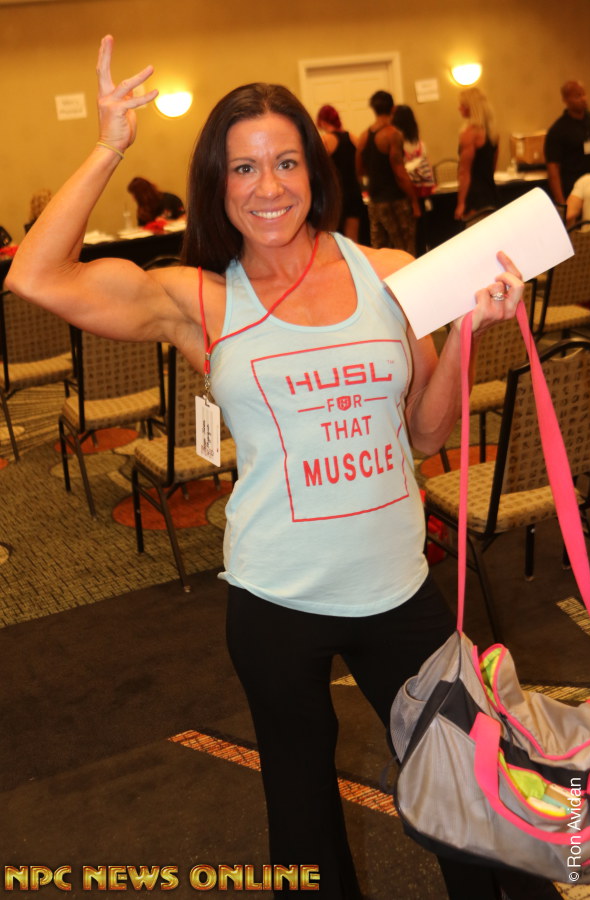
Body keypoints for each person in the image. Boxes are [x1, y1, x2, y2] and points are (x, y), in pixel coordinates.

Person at [7, 35, 561, 900]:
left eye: (286, 162)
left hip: (400, 589)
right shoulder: (198, 298)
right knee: (302, 819)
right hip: (277, 600)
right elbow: (36, 277)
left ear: (314, 170)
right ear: (217, 184)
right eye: (244, 168)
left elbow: (424, 436)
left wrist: (466, 336)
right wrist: (110, 143)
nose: (268, 186)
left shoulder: (389, 275)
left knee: (472, 797)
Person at [356, 90, 421, 254]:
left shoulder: (363, 136)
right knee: (405, 250)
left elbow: (359, 169)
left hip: (374, 201)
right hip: (395, 201)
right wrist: (414, 201)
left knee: (380, 252)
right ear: (393, 108)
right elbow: (399, 172)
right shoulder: (393, 135)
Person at [544, 81, 590, 207]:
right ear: (566, 100)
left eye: (584, 94)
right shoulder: (558, 130)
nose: (583, 98)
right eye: (577, 96)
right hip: (574, 192)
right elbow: (553, 169)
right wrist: (561, 203)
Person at [316, 104, 365, 242]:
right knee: (353, 241)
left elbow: (318, 169)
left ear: (322, 121)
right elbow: (361, 163)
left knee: (333, 239)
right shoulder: (352, 137)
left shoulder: (325, 141)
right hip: (353, 192)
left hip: (335, 194)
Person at [391, 104, 435, 254]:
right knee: (421, 234)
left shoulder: (396, 143)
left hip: (404, 193)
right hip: (421, 193)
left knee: (405, 238)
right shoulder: (420, 144)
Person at [455, 87, 499, 223]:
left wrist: (461, 203)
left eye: (462, 105)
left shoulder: (469, 134)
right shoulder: (493, 133)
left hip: (474, 197)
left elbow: (464, 172)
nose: (459, 108)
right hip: (491, 192)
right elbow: (492, 167)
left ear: (470, 107)